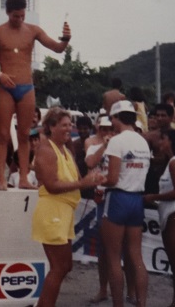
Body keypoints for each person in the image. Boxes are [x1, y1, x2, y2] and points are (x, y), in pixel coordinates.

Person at [0, 0, 71, 191]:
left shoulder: (32, 31)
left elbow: (57, 48)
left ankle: (24, 177)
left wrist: (66, 38)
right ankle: (1, 179)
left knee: (24, 133)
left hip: (26, 87)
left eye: (22, 15)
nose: (20, 19)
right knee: (4, 135)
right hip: (6, 87)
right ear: (8, 13)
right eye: (16, 16)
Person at [31, 107, 105, 305]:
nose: (69, 128)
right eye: (64, 125)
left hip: (64, 213)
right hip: (52, 212)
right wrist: (83, 183)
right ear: (51, 127)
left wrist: (93, 182)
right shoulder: (46, 149)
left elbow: (78, 180)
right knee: (59, 267)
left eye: (69, 124)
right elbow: (53, 185)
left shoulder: (66, 149)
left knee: (65, 266)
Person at [102, 100, 151, 307]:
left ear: (115, 118)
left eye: (111, 118)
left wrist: (97, 179)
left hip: (118, 197)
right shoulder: (142, 141)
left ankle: (118, 305)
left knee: (113, 257)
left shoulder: (116, 141)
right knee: (136, 257)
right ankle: (141, 304)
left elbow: (112, 179)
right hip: (136, 199)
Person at [143, 130, 175, 307]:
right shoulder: (174, 162)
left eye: (163, 138)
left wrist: (153, 197)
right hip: (170, 215)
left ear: (170, 142)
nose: (160, 142)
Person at [84, 115, 113, 303]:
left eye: (109, 129)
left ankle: (132, 291)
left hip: (116, 195)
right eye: (103, 128)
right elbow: (90, 164)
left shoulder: (121, 145)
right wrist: (104, 145)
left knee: (126, 247)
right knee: (103, 247)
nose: (106, 132)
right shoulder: (94, 145)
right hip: (102, 196)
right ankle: (103, 289)